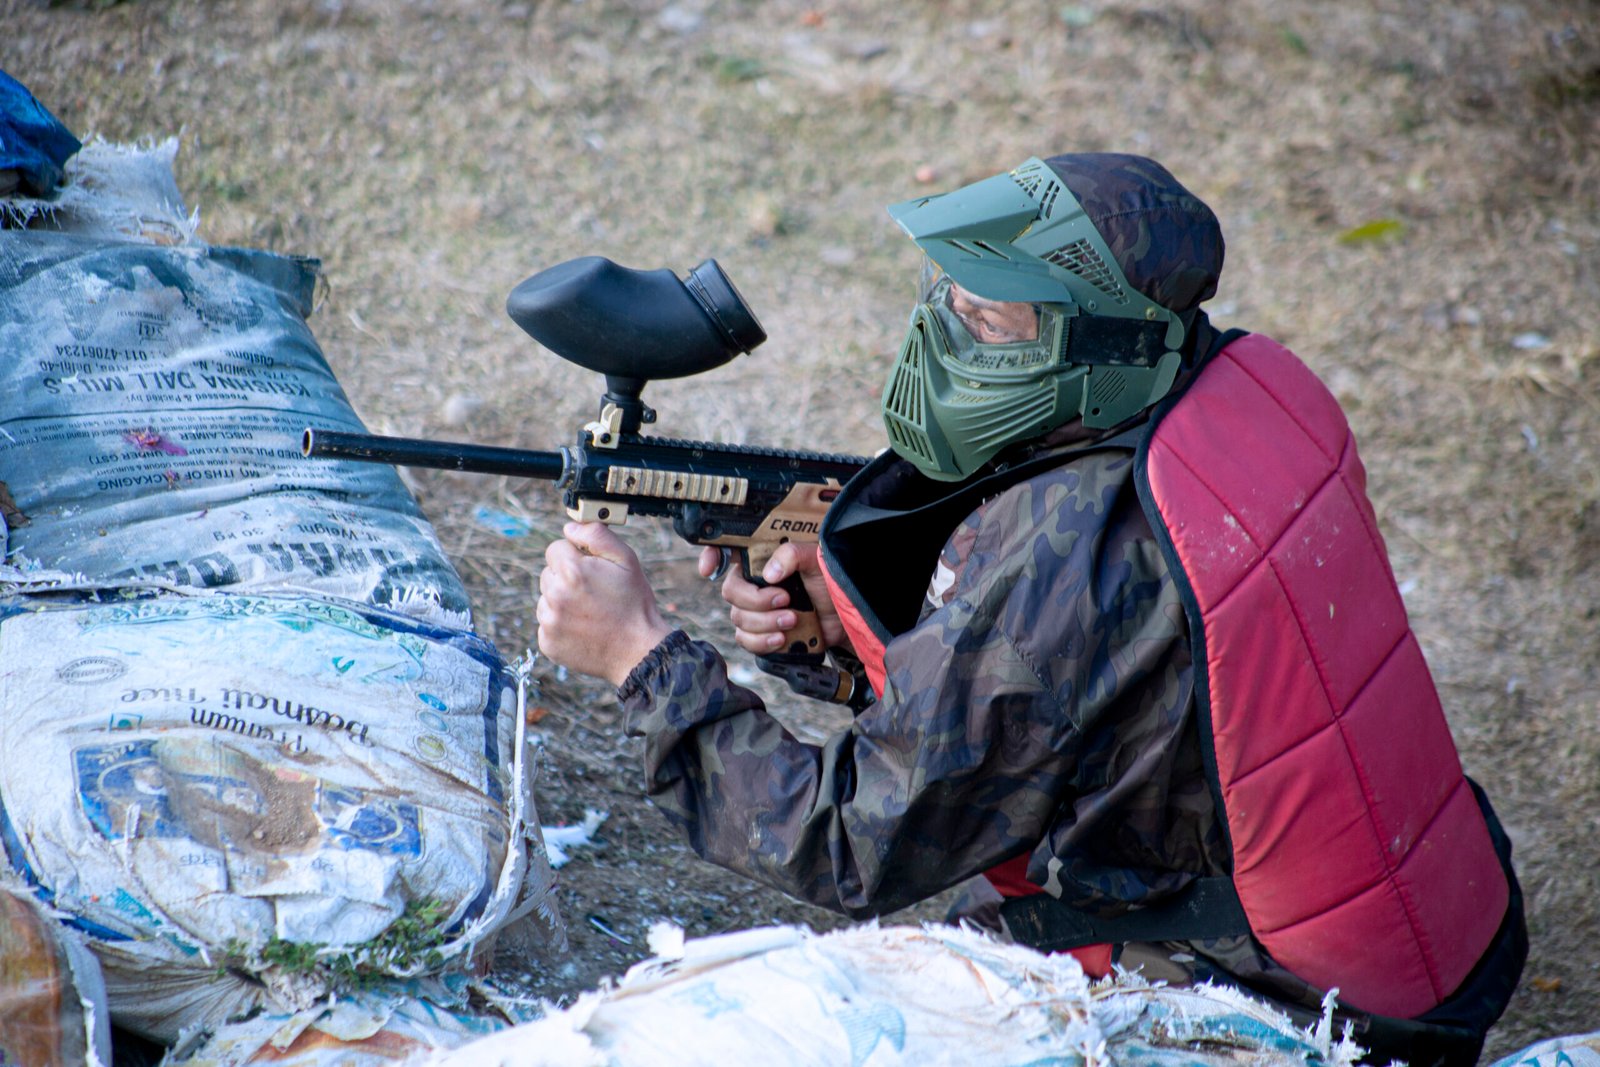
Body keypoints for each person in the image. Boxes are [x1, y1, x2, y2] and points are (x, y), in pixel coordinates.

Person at [534, 153, 1525, 1066]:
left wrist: (640, 655)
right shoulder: (1234, 389)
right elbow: (1123, 702)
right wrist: (848, 648)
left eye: (991, 322)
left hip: (1300, 1003)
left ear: (1106, 344)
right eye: (951, 303)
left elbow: (851, 840)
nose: (944, 336)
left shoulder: (1072, 544)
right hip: (1439, 919)